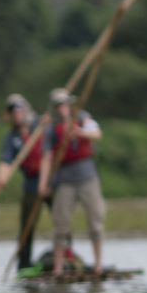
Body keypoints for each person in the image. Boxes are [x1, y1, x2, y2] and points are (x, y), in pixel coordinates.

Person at [38, 87, 106, 278]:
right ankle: (58, 268)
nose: (62, 108)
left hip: (87, 177)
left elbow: (97, 134)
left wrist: (79, 132)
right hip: (64, 179)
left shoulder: (83, 118)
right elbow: (46, 157)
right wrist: (43, 183)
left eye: (65, 104)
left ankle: (98, 264)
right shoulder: (51, 128)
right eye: (58, 105)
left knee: (96, 222)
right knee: (61, 224)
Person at [0, 93, 49, 277]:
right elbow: (5, 161)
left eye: (19, 110)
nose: (17, 114)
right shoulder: (12, 138)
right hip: (32, 182)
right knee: (26, 226)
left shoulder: (41, 124)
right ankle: (24, 265)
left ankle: (64, 258)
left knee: (61, 219)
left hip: (52, 179)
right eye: (13, 111)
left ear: (25, 110)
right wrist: (2, 179)